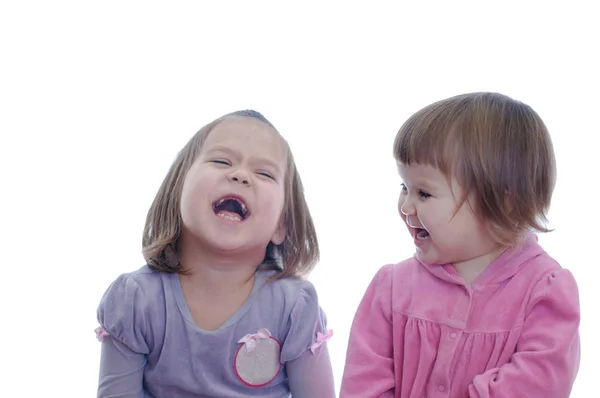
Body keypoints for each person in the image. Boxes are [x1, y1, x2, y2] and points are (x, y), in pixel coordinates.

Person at [340, 92, 580, 397]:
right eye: (404, 187)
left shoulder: (544, 290)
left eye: (424, 193)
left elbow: (540, 382)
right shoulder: (391, 288)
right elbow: (362, 384)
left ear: (504, 202)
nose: (406, 206)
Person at [94, 110, 335, 398]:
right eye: (222, 161)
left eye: (264, 173)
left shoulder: (294, 307)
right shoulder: (136, 300)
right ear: (178, 191)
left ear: (282, 224)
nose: (241, 175)